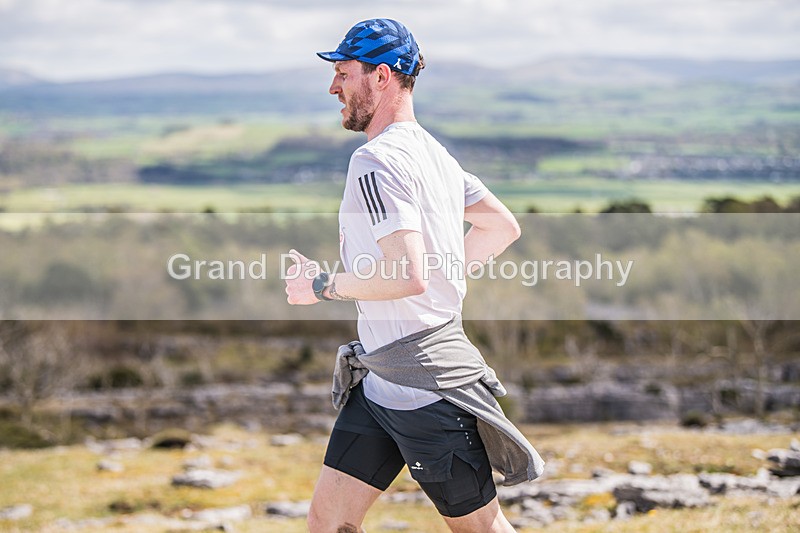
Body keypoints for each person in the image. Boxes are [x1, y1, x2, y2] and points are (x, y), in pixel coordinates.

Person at [285, 18, 543, 533]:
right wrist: (444, 273)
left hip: (427, 387)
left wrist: (321, 287)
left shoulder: (375, 161)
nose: (333, 86)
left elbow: (406, 274)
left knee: (483, 529)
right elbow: (500, 225)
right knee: (327, 521)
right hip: (380, 380)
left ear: (381, 77)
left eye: (343, 73)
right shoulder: (436, 156)